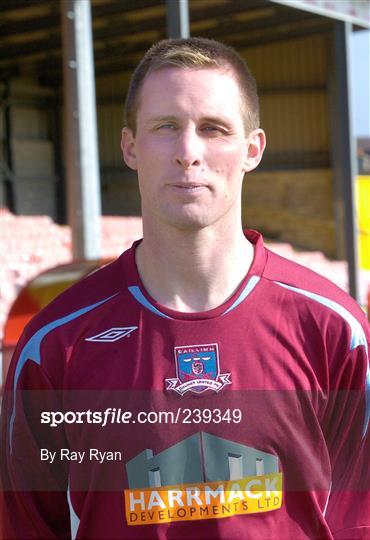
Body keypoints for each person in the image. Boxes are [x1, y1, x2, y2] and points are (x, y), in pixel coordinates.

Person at [1, 37, 369, 540]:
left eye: (213, 129)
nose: (188, 152)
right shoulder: (56, 344)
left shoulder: (332, 330)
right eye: (166, 127)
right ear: (130, 146)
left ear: (252, 149)